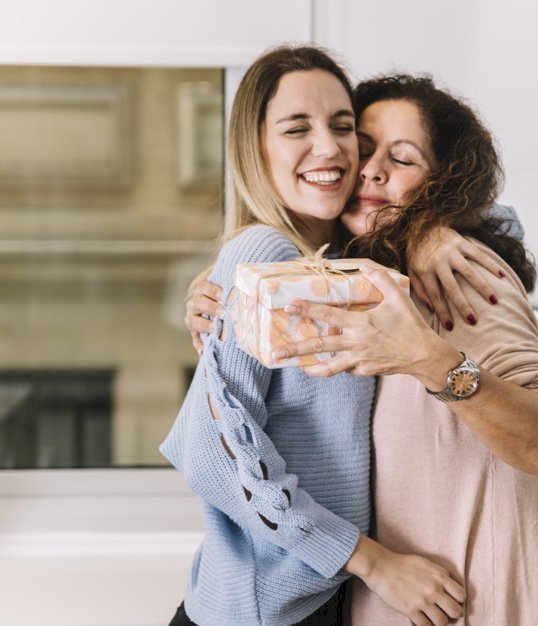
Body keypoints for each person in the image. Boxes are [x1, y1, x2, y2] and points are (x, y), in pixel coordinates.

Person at [188, 73, 538, 625]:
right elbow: (213, 450)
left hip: (463, 597)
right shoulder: (320, 271)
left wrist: (432, 247)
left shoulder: (452, 274)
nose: (369, 168)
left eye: (401, 159)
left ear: (442, 184)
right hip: (318, 602)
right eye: (366, 149)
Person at [161, 45, 467, 626]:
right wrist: (373, 562)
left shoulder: (345, 264)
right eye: (297, 127)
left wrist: (435, 230)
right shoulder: (261, 256)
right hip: (265, 612)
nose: (328, 147)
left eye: (343, 126)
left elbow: (508, 223)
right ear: (256, 149)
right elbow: (212, 455)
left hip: (316, 601)